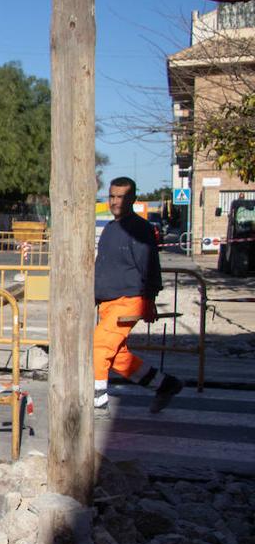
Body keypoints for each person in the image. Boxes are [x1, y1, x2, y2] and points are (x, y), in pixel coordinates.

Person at [93, 177, 183, 413]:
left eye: (121, 196)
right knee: (118, 357)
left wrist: (149, 301)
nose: (115, 201)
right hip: (107, 303)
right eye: (112, 196)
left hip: (129, 300)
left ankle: (98, 403)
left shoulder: (140, 229)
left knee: (99, 347)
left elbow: (149, 265)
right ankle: (166, 385)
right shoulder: (110, 229)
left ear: (132, 199)